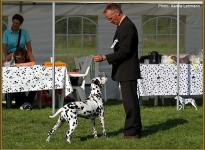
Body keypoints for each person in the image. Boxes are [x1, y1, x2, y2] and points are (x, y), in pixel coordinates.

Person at [93, 3, 142, 138]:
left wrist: (105, 57)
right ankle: (135, 129)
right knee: (130, 102)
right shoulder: (122, 25)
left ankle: (132, 133)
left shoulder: (127, 26)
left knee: (130, 103)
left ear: (117, 13)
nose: (109, 21)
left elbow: (125, 51)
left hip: (128, 70)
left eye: (110, 18)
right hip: (124, 70)